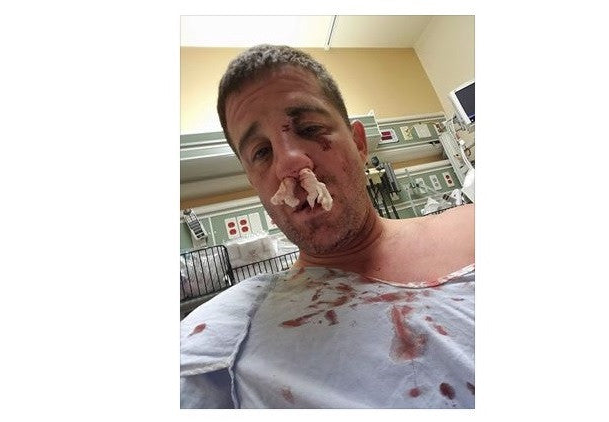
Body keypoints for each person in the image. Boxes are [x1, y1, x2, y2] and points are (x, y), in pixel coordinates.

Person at [180, 44, 475, 409]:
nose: (289, 163)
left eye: (309, 128)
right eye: (262, 152)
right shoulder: (228, 335)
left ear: (359, 144)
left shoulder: (472, 225)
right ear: (254, 183)